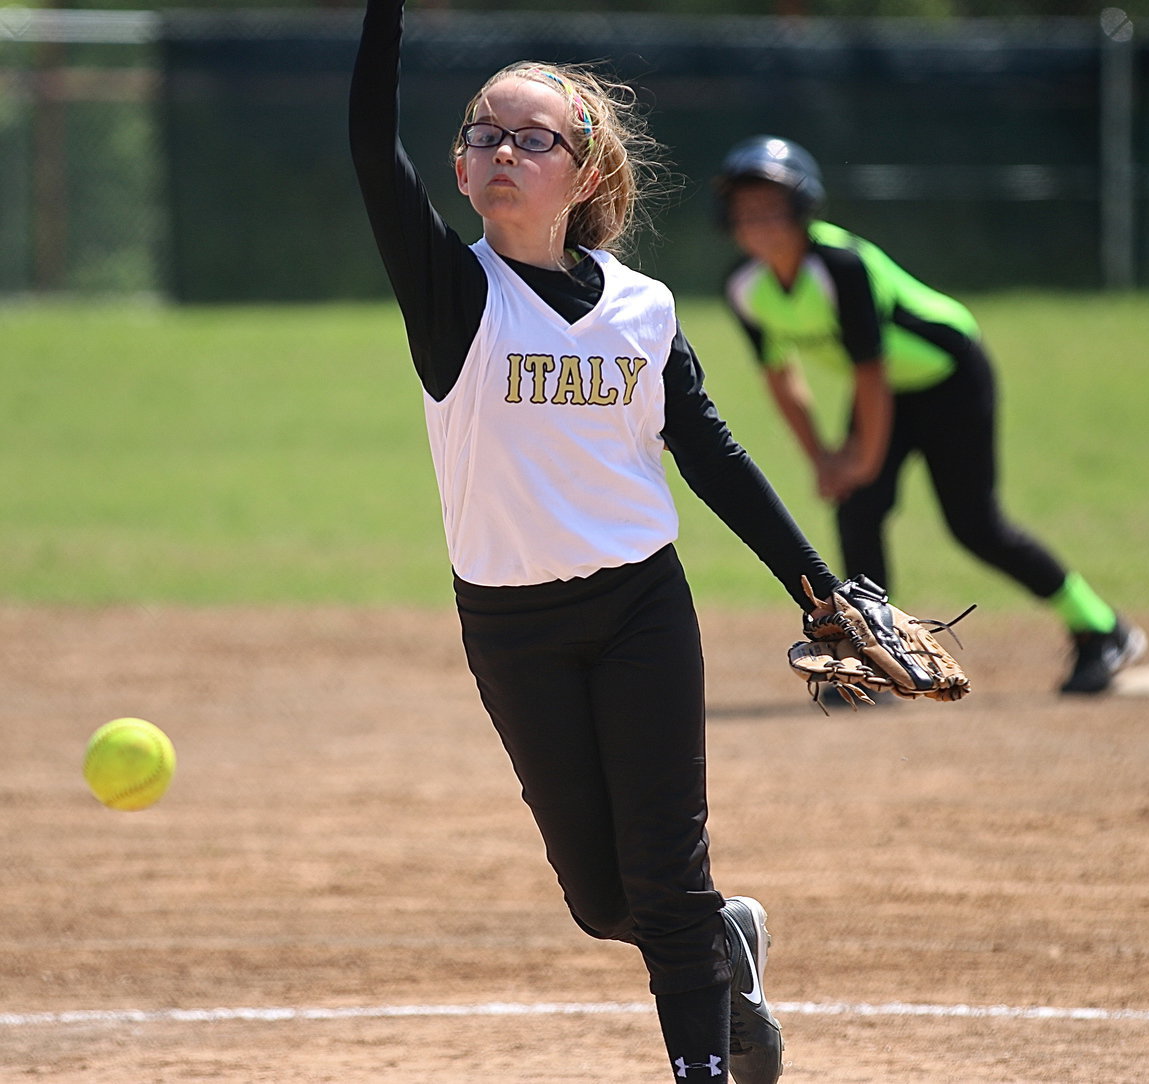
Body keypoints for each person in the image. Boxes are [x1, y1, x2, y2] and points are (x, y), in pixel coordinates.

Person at [347, 3, 890, 1080]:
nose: (502, 150)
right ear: (459, 173)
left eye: (532, 136)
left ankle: (699, 1060)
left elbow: (714, 454)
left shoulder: (642, 311)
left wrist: (817, 586)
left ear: (586, 170)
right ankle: (722, 945)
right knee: (603, 901)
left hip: (641, 605)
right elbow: (370, 143)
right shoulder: (456, 293)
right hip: (512, 626)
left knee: (665, 879)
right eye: (484, 136)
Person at [715, 135, 1147, 696]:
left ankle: (1101, 627)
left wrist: (861, 461)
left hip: (950, 378)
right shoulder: (745, 287)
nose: (759, 224)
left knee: (975, 525)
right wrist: (823, 458)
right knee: (858, 512)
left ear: (802, 209)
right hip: (887, 389)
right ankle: (872, 655)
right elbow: (781, 375)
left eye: (772, 209)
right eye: (745, 212)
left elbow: (869, 372)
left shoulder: (841, 265)